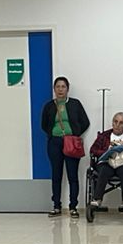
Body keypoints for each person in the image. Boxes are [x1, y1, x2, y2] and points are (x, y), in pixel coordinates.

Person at [40, 76, 89, 218]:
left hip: (71, 143)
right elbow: (44, 124)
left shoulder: (75, 104)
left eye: (63, 87)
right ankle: (56, 206)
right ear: (54, 89)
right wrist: (54, 134)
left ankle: (73, 206)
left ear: (68, 89)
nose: (60, 89)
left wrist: (74, 134)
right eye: (58, 87)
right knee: (56, 175)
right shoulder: (49, 106)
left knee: (73, 176)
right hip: (54, 143)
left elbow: (84, 122)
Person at [89, 112, 123, 209]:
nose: (117, 125)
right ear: (112, 123)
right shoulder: (104, 136)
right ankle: (98, 200)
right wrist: (107, 151)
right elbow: (93, 150)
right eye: (116, 122)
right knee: (104, 170)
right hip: (107, 163)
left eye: (121, 123)